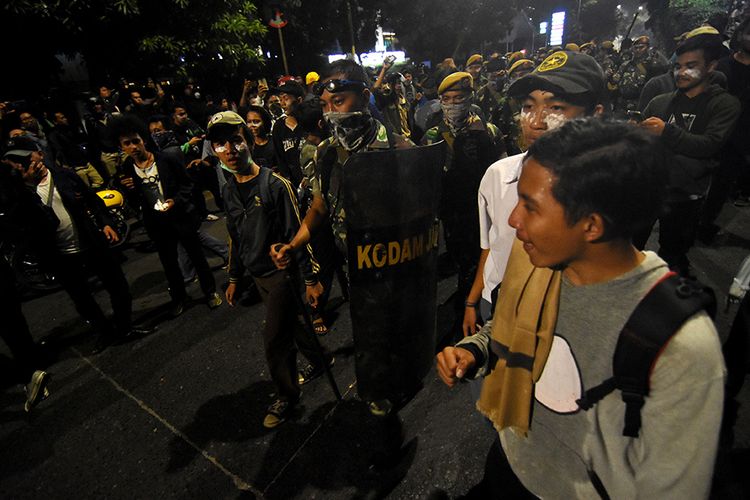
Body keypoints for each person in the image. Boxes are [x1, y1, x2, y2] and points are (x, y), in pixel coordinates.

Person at [437, 118, 725, 499]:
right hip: (511, 465)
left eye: (530, 207)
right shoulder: (537, 262)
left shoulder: (681, 346)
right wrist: (473, 351)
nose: (512, 220)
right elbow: (508, 324)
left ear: (592, 225)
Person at [270, 59, 412, 416]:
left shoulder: (400, 149)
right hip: (353, 264)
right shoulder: (326, 153)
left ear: (364, 98)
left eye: (340, 101)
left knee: (396, 327)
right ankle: (380, 384)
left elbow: (420, 215)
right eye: (326, 105)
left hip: (394, 263)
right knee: (367, 329)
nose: (331, 113)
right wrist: (294, 243)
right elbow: (318, 207)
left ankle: (397, 381)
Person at [462, 50, 607, 340]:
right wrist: (473, 300)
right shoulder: (498, 176)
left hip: (562, 318)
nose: (536, 121)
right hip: (498, 304)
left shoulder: (606, 191)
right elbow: (491, 246)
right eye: (529, 106)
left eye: (556, 108)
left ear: (594, 116)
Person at [207, 111, 330, 429]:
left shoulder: (276, 185)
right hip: (256, 275)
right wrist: (233, 277)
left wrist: (311, 279)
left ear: (248, 141)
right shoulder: (229, 189)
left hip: (282, 277)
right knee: (291, 325)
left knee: (274, 339)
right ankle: (320, 359)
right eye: (220, 144)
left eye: (235, 140)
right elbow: (234, 235)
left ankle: (287, 396)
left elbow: (297, 234)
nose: (230, 150)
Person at [1, 136, 152, 352]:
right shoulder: (19, 193)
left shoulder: (64, 176)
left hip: (91, 243)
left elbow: (94, 200)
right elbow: (23, 225)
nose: (21, 163)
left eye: (25, 157)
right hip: (61, 255)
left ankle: (125, 326)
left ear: (39, 155)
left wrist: (106, 223)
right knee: (82, 300)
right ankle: (105, 332)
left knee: (118, 285)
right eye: (15, 160)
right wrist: (29, 188)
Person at [637, 34, 741, 276]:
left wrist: (667, 131)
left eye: (691, 66)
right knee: (631, 247)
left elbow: (709, 145)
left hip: (685, 194)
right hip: (648, 188)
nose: (682, 72)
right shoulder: (661, 102)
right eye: (678, 66)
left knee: (672, 255)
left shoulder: (724, 105)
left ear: (711, 66)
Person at [109, 114, 222, 315]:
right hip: (157, 223)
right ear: (121, 147)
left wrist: (175, 201)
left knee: (197, 257)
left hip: (180, 218)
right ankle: (179, 298)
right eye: (127, 143)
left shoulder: (166, 159)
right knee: (169, 264)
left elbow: (187, 184)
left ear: (143, 140)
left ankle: (210, 292)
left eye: (136, 141)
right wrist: (128, 189)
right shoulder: (127, 168)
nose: (134, 146)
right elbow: (133, 199)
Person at [421, 71, 504, 339]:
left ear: (469, 98)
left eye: (458, 98)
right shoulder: (433, 134)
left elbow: (502, 170)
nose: (453, 104)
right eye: (447, 98)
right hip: (451, 210)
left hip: (482, 209)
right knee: (461, 258)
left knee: (476, 259)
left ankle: (468, 310)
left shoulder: (488, 131)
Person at [271, 81, 306, 186]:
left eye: (286, 99)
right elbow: (280, 158)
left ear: (299, 100)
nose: (282, 104)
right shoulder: (278, 127)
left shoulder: (308, 122)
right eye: (280, 99)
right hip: (295, 184)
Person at [244, 105, 278, 171]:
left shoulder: (275, 142)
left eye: (256, 121)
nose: (252, 125)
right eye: (249, 122)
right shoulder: (246, 145)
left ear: (264, 122)